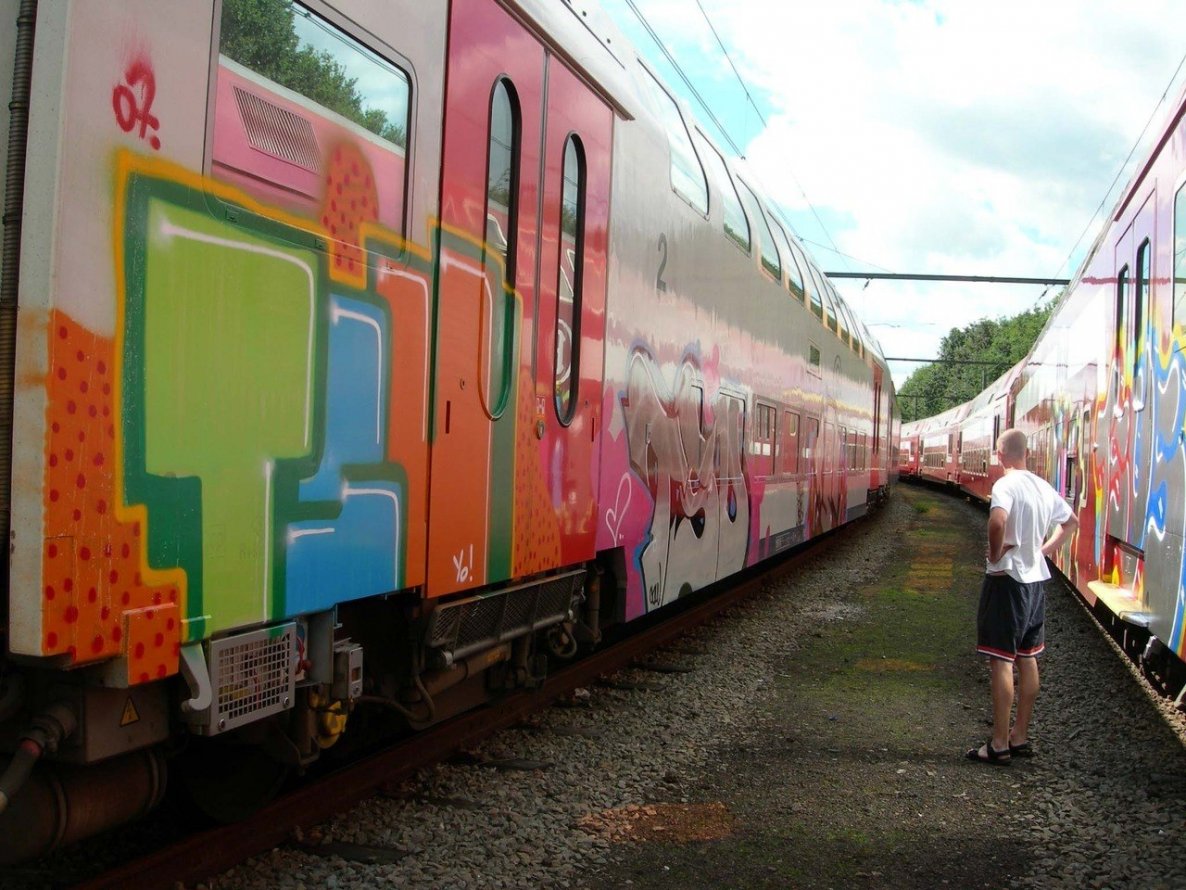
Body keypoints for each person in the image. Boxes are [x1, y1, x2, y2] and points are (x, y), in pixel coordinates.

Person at [966, 428, 1078, 766]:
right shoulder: (1043, 487)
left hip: (1007, 581)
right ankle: (1020, 736)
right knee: (1027, 658)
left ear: (1000, 455)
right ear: (1026, 453)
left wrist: (996, 555)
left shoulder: (1006, 485)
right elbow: (1071, 523)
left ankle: (999, 743)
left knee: (1001, 659)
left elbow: (997, 522)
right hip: (1035, 583)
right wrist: (1042, 552)